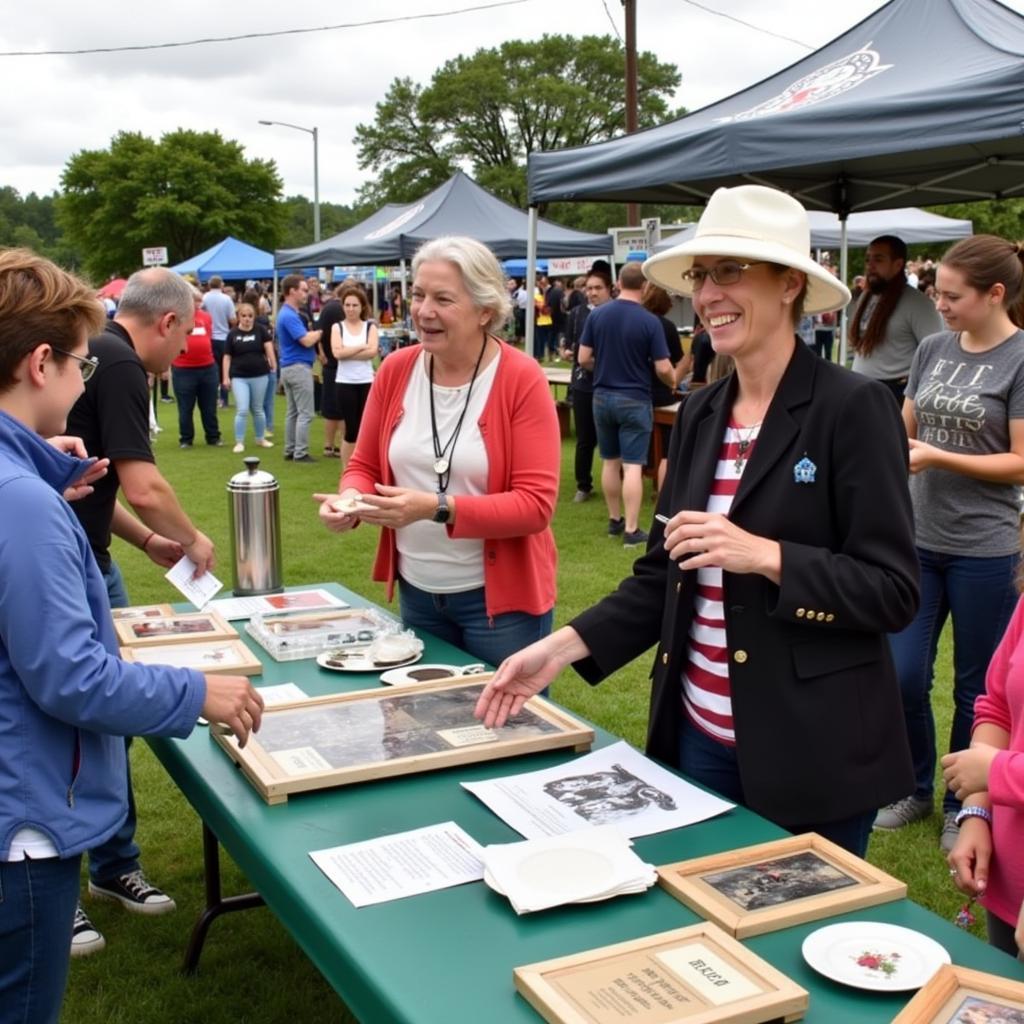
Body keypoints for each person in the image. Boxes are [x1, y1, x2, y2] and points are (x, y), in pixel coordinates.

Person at [475, 185, 919, 858]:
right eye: (702, 276)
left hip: (812, 752)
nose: (709, 294)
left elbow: (892, 591)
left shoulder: (853, 407)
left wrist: (767, 556)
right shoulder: (700, 412)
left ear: (791, 285)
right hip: (694, 737)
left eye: (731, 271)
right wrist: (559, 649)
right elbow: (664, 574)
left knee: (792, 948)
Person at [0, 248, 263, 1023]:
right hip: (27, 823)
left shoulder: (25, 484)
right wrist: (198, 691)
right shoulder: (23, 504)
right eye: (82, 364)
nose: (88, 381)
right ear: (41, 363)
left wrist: (47, 474)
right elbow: (70, 676)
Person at [65, 267, 221, 954]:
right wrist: (191, 537)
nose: (183, 347)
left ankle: (112, 865)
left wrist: (150, 539)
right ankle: (60, 881)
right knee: (78, 719)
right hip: (66, 568)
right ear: (165, 324)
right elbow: (145, 483)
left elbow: (96, 485)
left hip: (91, 558)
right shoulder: (124, 362)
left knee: (109, 724)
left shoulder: (97, 349)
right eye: (185, 332)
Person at [315, 235, 560, 666]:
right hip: (418, 594)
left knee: (503, 728)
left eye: (443, 299)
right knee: (421, 726)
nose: (424, 310)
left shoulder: (521, 378)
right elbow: (363, 463)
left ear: (485, 310)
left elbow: (535, 506)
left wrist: (436, 507)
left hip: (502, 608)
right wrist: (349, 499)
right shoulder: (395, 369)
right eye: (418, 295)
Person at [875, 235, 1024, 853]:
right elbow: (903, 425)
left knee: (975, 690)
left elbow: (1020, 462)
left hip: (986, 549)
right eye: (937, 292)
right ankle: (912, 786)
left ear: (995, 295)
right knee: (904, 674)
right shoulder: (934, 348)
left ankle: (964, 805)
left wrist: (939, 455)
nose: (939, 305)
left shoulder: (1020, 359)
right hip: (916, 538)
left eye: (952, 296)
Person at [944, 592, 1024, 957]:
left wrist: (997, 773)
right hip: (1010, 875)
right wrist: (977, 812)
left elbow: (994, 766)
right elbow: (998, 707)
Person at [579, 261, 674, 547]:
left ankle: (614, 520)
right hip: (634, 398)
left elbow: (583, 358)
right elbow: (663, 366)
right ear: (644, 286)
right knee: (633, 466)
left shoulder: (597, 315)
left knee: (610, 461)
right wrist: (671, 379)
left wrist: (605, 367)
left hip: (601, 396)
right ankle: (632, 530)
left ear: (618, 283)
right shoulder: (649, 321)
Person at [850, 235, 943, 404]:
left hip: (894, 395)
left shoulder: (918, 304)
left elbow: (936, 354)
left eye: (878, 260)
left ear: (898, 264)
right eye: (868, 259)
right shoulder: (866, 296)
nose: (870, 266)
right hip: (861, 389)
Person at [562, 270, 612, 503]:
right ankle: (584, 485)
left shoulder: (616, 313)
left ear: (609, 289)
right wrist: (567, 350)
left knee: (613, 438)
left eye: (597, 288)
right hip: (583, 383)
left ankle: (617, 482)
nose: (592, 293)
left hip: (612, 384)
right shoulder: (577, 313)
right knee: (585, 438)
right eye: (589, 288)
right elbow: (568, 343)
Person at [641, 282, 685, 492]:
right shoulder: (666, 326)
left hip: (636, 391)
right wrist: (675, 381)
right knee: (667, 448)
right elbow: (676, 361)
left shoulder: (636, 323)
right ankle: (664, 488)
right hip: (660, 392)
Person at [331, 283, 379, 470]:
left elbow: (373, 351)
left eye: (354, 305)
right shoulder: (338, 327)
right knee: (351, 429)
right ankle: (347, 469)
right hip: (345, 382)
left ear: (362, 307)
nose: (351, 309)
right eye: (347, 305)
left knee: (365, 428)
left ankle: (364, 466)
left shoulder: (369, 327)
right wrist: (361, 347)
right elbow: (338, 353)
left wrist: (348, 351)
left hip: (366, 381)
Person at [277, 274, 322, 463]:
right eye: (303, 290)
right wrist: (319, 331)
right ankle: (300, 452)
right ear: (292, 291)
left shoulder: (286, 313)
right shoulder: (289, 315)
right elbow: (305, 340)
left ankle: (290, 449)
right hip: (298, 367)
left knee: (293, 412)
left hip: (289, 367)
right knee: (305, 412)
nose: (306, 293)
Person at [170, 288, 221, 450]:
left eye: (199, 301)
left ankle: (213, 437)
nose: (198, 304)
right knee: (185, 407)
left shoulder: (206, 317)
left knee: (209, 406)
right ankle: (186, 438)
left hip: (207, 367)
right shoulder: (178, 319)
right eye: (195, 300)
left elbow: (209, 337)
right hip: (184, 369)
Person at [223, 302, 276, 453]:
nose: (247, 319)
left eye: (250, 316)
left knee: (258, 409)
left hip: (260, 374)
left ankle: (260, 438)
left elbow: (268, 346)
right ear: (238, 317)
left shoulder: (260, 330)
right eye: (244, 316)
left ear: (254, 317)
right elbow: (227, 357)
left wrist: (273, 362)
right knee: (242, 409)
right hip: (239, 376)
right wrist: (225, 377)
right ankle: (239, 441)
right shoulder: (232, 334)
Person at [317, 283, 345, 457]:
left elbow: (318, 332)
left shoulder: (327, 308)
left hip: (329, 363)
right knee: (343, 409)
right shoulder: (340, 310)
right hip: (341, 364)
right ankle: (344, 444)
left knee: (330, 409)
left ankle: (329, 445)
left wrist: (320, 352)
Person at [201, 275, 236, 408]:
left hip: (208, 338)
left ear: (209, 285)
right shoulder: (226, 299)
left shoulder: (204, 298)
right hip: (223, 337)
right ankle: (224, 399)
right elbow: (232, 319)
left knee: (212, 369)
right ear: (221, 285)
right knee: (224, 369)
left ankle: (213, 398)